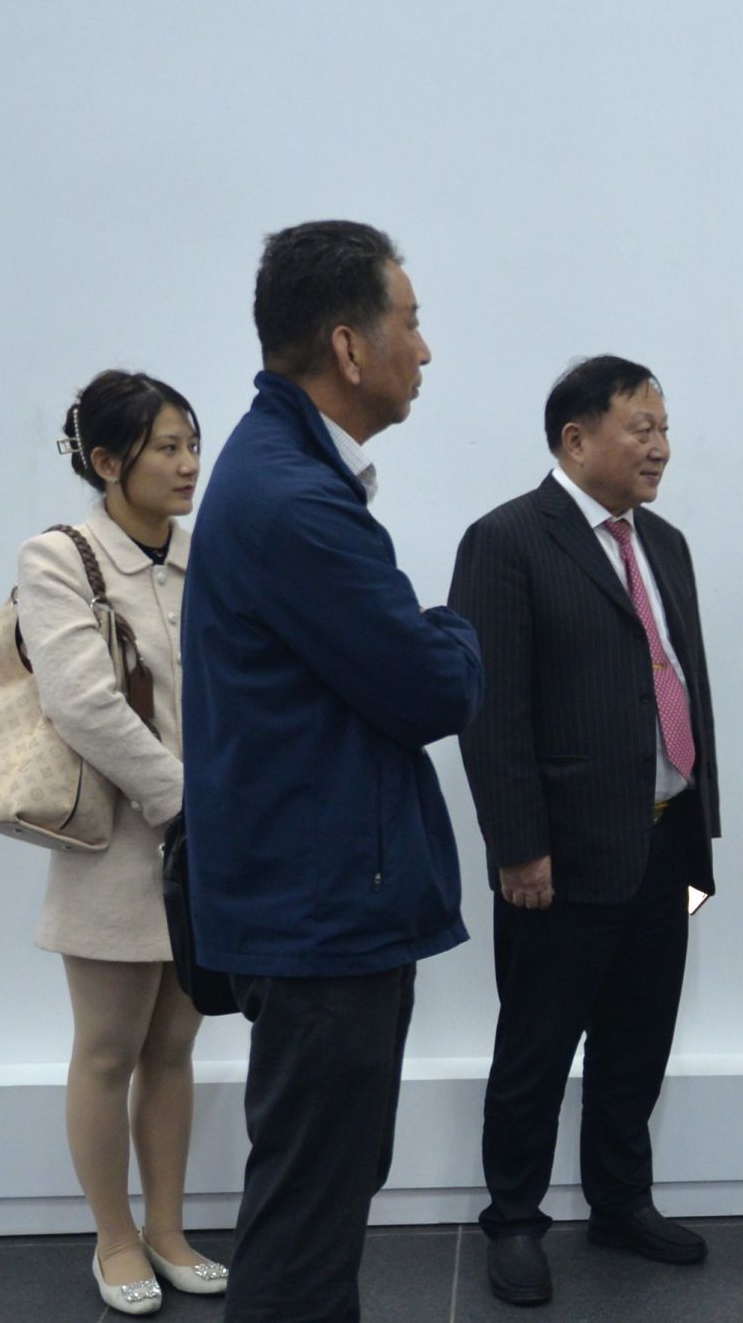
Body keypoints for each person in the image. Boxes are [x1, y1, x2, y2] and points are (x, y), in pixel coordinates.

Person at [182, 220, 484, 1323]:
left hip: (318, 896)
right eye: (412, 321)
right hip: (320, 912)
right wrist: (456, 625)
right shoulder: (295, 501)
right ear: (351, 347)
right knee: (307, 1225)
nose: (426, 348)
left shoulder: (285, 474)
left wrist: (420, 632)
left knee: (320, 1194)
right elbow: (432, 687)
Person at [450, 356, 721, 1309]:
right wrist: (518, 846)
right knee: (535, 1046)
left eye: (664, 427)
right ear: (575, 439)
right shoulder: (507, 541)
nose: (662, 447)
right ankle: (515, 1220)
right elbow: (491, 712)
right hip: (559, 856)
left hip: (665, 839)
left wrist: (695, 821)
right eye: (642, 428)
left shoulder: (665, 543)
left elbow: (675, 677)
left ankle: (620, 1200)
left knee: (637, 1039)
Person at [22, 371, 226, 1315]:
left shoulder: (205, 556)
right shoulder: (59, 556)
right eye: (167, 447)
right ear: (106, 461)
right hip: (117, 844)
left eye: (192, 444)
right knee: (107, 1048)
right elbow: (81, 702)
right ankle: (113, 1237)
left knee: (174, 1045)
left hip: (205, 843)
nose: (189, 464)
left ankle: (169, 1228)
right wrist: (186, 801)